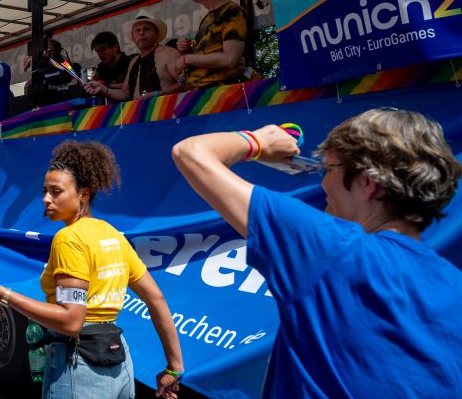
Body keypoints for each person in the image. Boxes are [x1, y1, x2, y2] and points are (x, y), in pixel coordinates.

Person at [171, 109, 462, 397]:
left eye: (330, 169)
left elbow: (191, 153)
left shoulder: (335, 248)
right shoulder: (454, 284)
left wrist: (259, 141)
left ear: (367, 182)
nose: (323, 183)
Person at [0, 141, 183, 399]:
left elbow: (71, 321)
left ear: (84, 194)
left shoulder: (68, 239)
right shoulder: (113, 235)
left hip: (80, 365)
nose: (46, 199)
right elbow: (156, 299)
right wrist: (175, 367)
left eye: (56, 192)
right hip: (119, 362)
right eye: (45, 191)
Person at [175, 0, 247, 89]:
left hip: (219, 93)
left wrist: (187, 59)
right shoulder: (208, 17)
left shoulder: (233, 12)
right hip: (202, 94)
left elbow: (230, 58)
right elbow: (209, 51)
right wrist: (188, 47)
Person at [85, 13, 182, 102]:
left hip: (166, 112)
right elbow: (125, 94)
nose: (141, 33)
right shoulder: (134, 61)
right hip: (140, 113)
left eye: (146, 29)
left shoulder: (169, 54)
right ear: (132, 35)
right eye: (137, 30)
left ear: (156, 32)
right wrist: (103, 89)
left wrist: (158, 94)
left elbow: (186, 83)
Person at [28, 38, 83, 107]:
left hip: (70, 105)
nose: (43, 54)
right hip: (49, 107)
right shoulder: (40, 70)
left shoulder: (67, 65)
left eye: (44, 51)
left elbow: (74, 79)